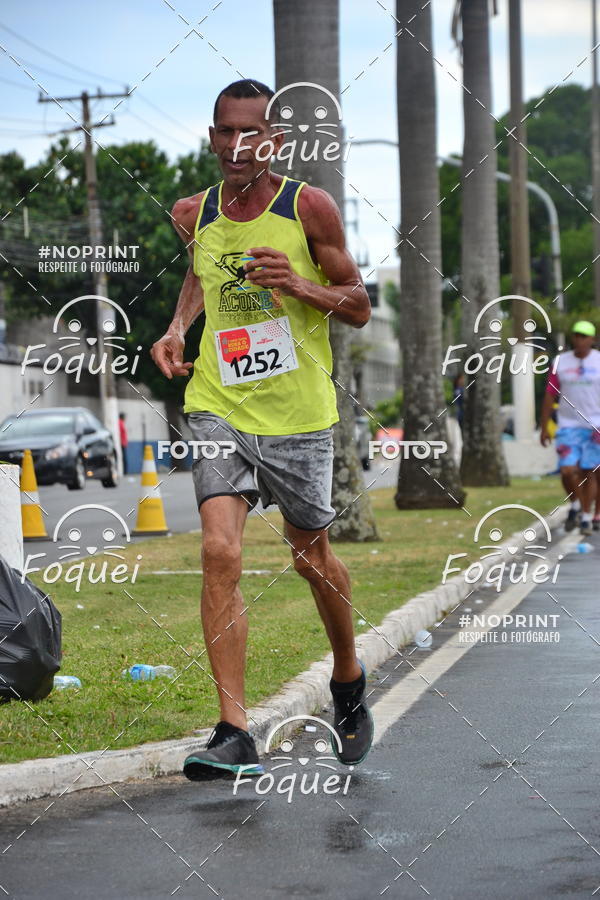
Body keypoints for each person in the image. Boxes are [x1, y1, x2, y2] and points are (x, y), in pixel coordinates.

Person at [151, 79, 373, 780]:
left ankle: (347, 676)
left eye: (252, 132)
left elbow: (361, 304)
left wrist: (300, 285)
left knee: (312, 559)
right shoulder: (192, 212)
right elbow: (200, 274)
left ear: (274, 140)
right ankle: (234, 730)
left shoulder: (308, 207)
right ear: (212, 137)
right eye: (225, 131)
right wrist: (177, 328)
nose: (237, 145)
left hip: (299, 414)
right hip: (220, 401)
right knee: (220, 552)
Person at [540, 320, 600, 536]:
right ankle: (575, 504)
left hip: (595, 425)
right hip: (568, 424)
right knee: (567, 470)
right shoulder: (560, 362)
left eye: (584, 336)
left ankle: (585, 517)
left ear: (592, 339)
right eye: (576, 335)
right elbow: (549, 394)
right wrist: (544, 425)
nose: (579, 339)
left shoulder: (599, 361)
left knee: (590, 472)